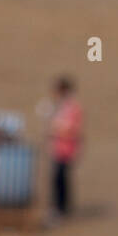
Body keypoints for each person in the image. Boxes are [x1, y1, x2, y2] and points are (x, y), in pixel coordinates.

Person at [46, 77, 84, 219]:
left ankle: (61, 209)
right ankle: (59, 208)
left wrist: (54, 128)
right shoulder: (59, 107)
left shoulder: (72, 108)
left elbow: (71, 129)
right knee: (57, 179)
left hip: (66, 149)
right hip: (57, 148)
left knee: (60, 179)